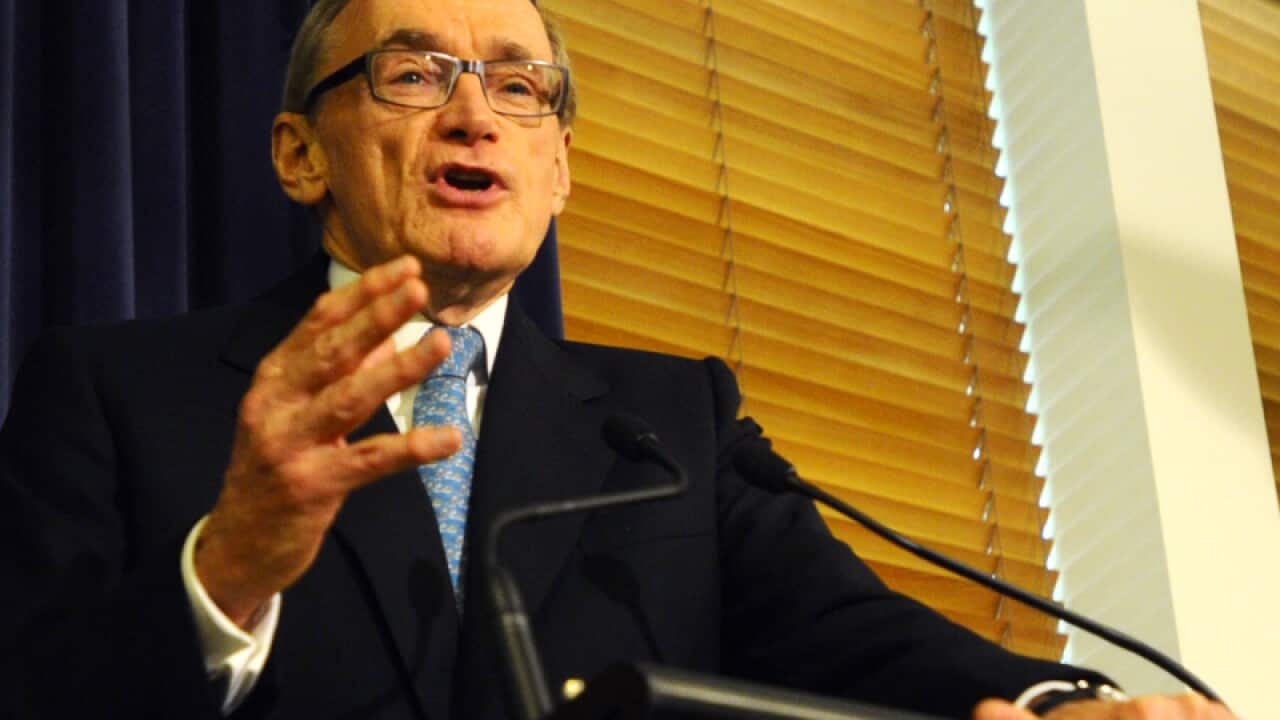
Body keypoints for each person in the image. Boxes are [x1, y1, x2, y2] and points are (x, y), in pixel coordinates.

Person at [0, 1, 1235, 719]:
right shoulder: (117, 391)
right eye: (414, 73)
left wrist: (1058, 706)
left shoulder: (668, 421)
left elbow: (849, 627)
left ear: (561, 170)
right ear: (298, 154)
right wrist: (227, 574)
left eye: (523, 88)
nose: (475, 113)